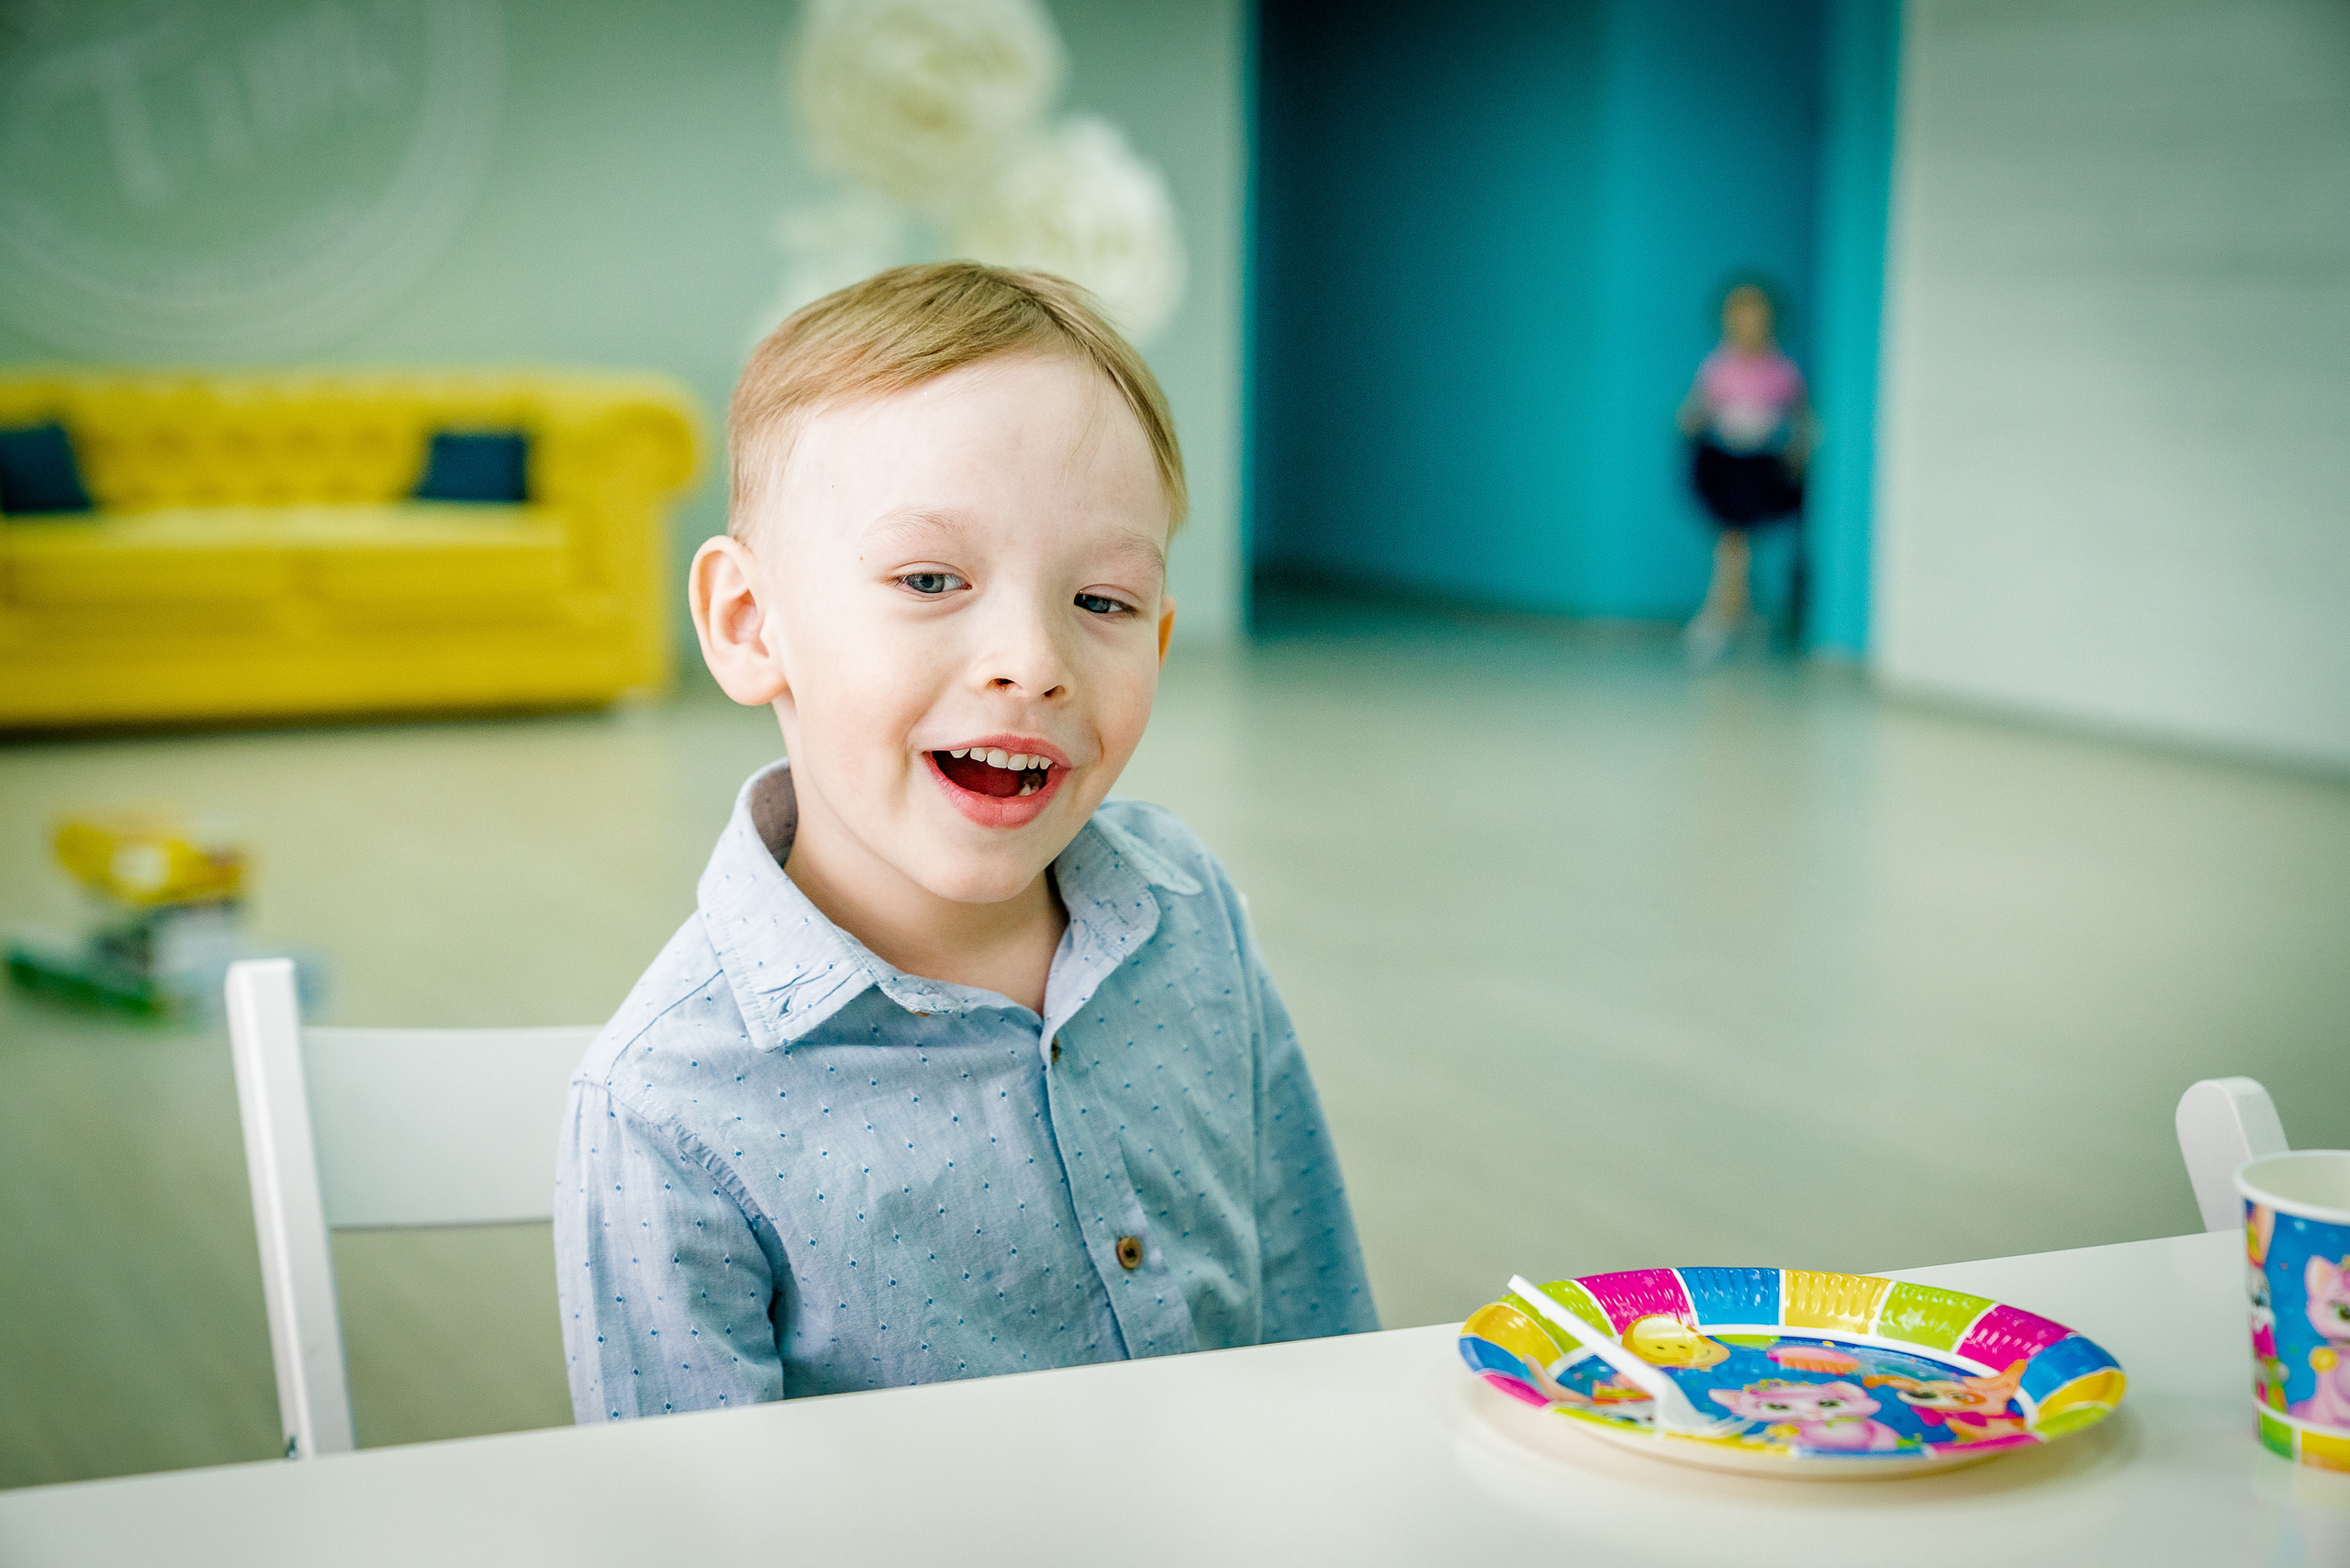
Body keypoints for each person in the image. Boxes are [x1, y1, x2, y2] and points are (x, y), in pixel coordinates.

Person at [554, 263, 1377, 1419]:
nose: (1033, 661)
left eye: (1103, 602)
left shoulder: (1187, 910)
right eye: (930, 579)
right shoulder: (667, 1111)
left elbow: (1320, 1334)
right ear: (749, 625)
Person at [1676, 281, 1813, 664]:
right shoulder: (1717, 367)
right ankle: (1736, 613)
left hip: (1760, 468)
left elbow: (1802, 418)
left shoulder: (1782, 370)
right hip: (1723, 463)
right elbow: (1696, 410)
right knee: (1732, 541)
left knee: (1735, 542)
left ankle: (1726, 613)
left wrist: (1798, 450)